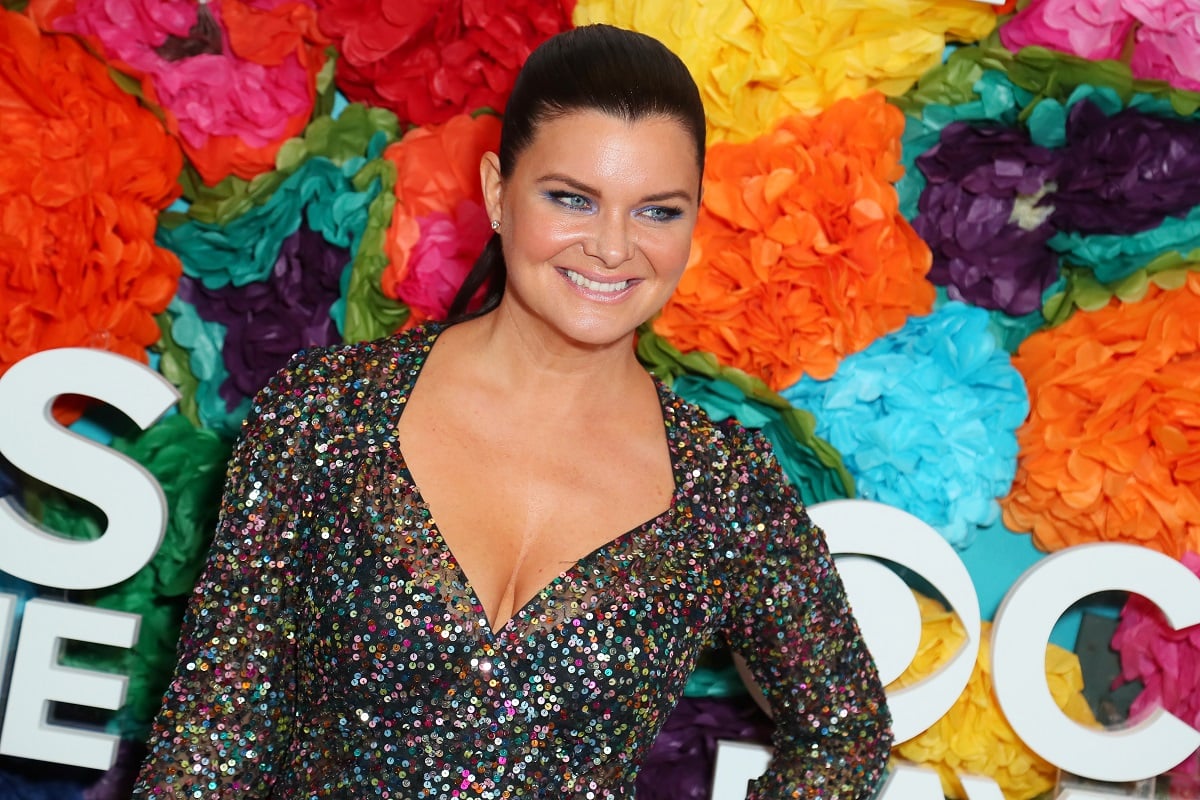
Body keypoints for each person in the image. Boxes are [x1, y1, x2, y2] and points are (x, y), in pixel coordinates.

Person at [133, 23, 892, 799]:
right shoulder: (327, 415)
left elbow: (845, 733)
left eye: (657, 212)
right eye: (572, 199)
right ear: (499, 192)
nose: (612, 247)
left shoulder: (723, 489)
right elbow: (213, 734)